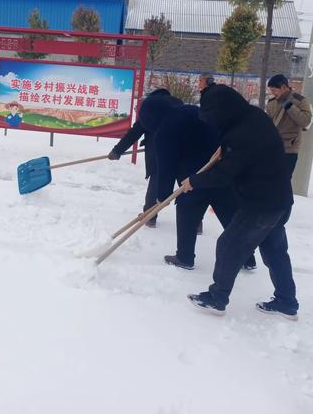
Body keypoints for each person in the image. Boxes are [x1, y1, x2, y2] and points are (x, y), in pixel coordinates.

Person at [184, 85, 298, 320]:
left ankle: (217, 299)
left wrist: (194, 181)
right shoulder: (252, 117)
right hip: (279, 198)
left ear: (222, 112)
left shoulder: (242, 134)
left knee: (229, 245)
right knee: (275, 252)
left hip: (261, 204)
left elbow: (226, 173)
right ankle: (287, 302)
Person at [138, 95, 256, 270]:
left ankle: (184, 257)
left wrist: (162, 197)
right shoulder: (192, 110)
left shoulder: (164, 132)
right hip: (220, 173)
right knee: (230, 217)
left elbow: (166, 167)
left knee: (187, 213)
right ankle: (247, 258)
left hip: (193, 181)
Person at [108, 88, 183, 228]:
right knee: (186, 183)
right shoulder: (178, 103)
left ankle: (150, 216)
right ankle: (195, 222)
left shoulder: (151, 107)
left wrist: (117, 151)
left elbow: (135, 132)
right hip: (182, 149)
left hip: (159, 150)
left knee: (156, 180)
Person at [266, 74, 312, 178]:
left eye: (274, 90)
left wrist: (289, 106)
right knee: (269, 179)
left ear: (283, 87)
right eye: (271, 90)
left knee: (283, 180)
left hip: (289, 149)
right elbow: (267, 124)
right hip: (273, 148)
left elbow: (305, 122)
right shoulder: (271, 103)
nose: (272, 93)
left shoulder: (300, 101)